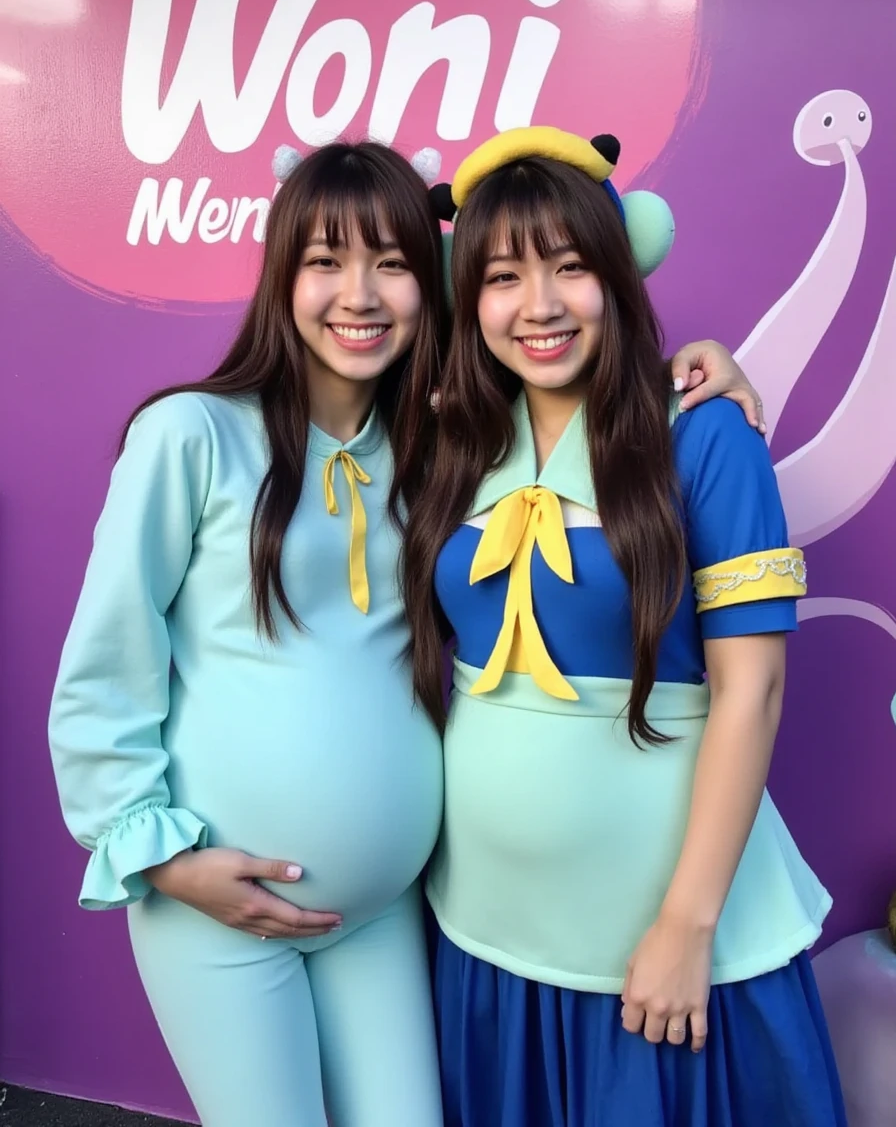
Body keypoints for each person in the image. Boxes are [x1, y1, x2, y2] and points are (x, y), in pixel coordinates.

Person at [48, 135, 761, 1127]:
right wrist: (162, 861)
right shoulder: (191, 436)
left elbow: (577, 383)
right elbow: (103, 671)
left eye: (391, 262)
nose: (360, 293)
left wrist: (706, 367)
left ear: (433, 286)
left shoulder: (445, 443)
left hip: (383, 913)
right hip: (219, 905)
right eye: (324, 261)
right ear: (280, 275)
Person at [403, 127, 846, 1127]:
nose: (539, 306)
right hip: (482, 929)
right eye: (503, 277)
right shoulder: (454, 438)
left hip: (657, 939)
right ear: (465, 295)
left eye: (570, 267)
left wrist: (685, 927)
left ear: (618, 269)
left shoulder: (702, 435)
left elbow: (752, 688)